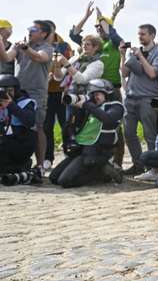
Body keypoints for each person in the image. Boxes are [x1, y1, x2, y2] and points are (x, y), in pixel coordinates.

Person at [69, 0, 126, 167]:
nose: (99, 29)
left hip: (112, 90)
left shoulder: (114, 44)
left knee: (113, 124)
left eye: (101, 27)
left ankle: (117, 161)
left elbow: (112, 33)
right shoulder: (95, 46)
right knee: (90, 121)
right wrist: (86, 16)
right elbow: (74, 35)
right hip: (94, 91)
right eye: (96, 27)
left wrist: (108, 17)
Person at [48, 79, 124, 188]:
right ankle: (98, 171)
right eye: (92, 94)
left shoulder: (116, 106)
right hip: (81, 148)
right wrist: (78, 109)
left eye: (97, 94)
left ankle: (102, 171)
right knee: (53, 178)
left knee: (64, 181)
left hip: (98, 149)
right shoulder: (90, 107)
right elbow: (72, 125)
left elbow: (107, 119)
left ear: (107, 93)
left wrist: (88, 104)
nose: (94, 97)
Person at [0, 19, 54, 171]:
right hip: (17, 92)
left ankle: (40, 164)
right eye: (29, 28)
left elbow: (39, 57)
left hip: (36, 93)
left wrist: (26, 48)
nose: (29, 31)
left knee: (37, 126)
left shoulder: (47, 48)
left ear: (43, 34)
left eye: (34, 29)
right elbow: (6, 58)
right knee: (12, 122)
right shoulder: (20, 45)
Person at [120, 24, 158, 175]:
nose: (140, 37)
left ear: (152, 36)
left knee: (150, 135)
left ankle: (152, 168)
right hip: (131, 97)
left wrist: (140, 57)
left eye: (143, 34)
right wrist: (123, 55)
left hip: (148, 99)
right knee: (128, 133)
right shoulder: (134, 52)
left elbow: (152, 74)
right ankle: (138, 164)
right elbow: (124, 73)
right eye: (139, 34)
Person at [44, 32, 74, 171]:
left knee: (66, 125)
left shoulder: (64, 46)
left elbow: (70, 67)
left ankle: (69, 155)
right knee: (47, 126)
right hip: (46, 93)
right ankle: (47, 158)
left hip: (62, 93)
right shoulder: (38, 46)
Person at [0, 75, 38, 177]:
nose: (6, 94)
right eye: (2, 90)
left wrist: (11, 105)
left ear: (16, 90)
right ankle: (17, 167)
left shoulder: (26, 102)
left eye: (9, 90)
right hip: (7, 141)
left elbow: (29, 122)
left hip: (22, 142)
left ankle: (22, 166)